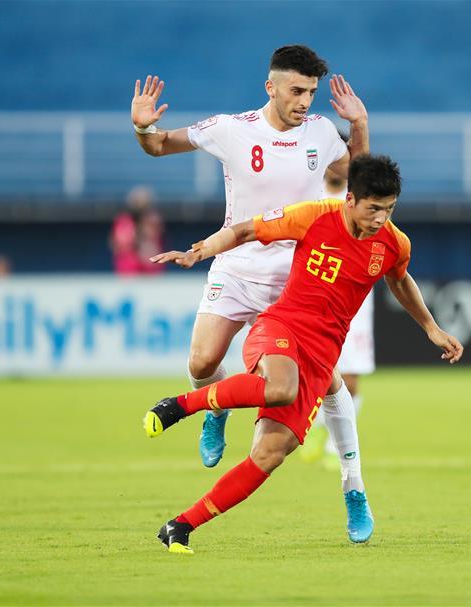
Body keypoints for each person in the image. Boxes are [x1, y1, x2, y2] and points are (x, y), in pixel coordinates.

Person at [146, 155, 463, 554]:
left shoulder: (395, 244)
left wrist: (432, 328)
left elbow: (400, 282)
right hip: (281, 326)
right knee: (280, 387)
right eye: (373, 207)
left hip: (322, 352)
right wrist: (200, 251)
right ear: (351, 200)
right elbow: (245, 229)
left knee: (268, 454)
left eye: (389, 208)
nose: (381, 217)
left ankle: (182, 524)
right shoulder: (313, 216)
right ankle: (180, 405)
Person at [130, 45, 375, 537]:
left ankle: (353, 488)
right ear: (271, 87)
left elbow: (363, 181)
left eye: (310, 92)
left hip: (297, 280)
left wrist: (360, 124)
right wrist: (142, 127)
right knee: (201, 363)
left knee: (329, 381)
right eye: (296, 90)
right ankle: (214, 411)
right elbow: (158, 146)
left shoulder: (323, 134)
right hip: (238, 265)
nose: (305, 101)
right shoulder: (231, 128)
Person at [301, 152, 376, 470]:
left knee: (352, 375)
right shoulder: (307, 193)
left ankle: (334, 444)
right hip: (317, 298)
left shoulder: (359, 199)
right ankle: (317, 427)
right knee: (316, 373)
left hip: (354, 299)